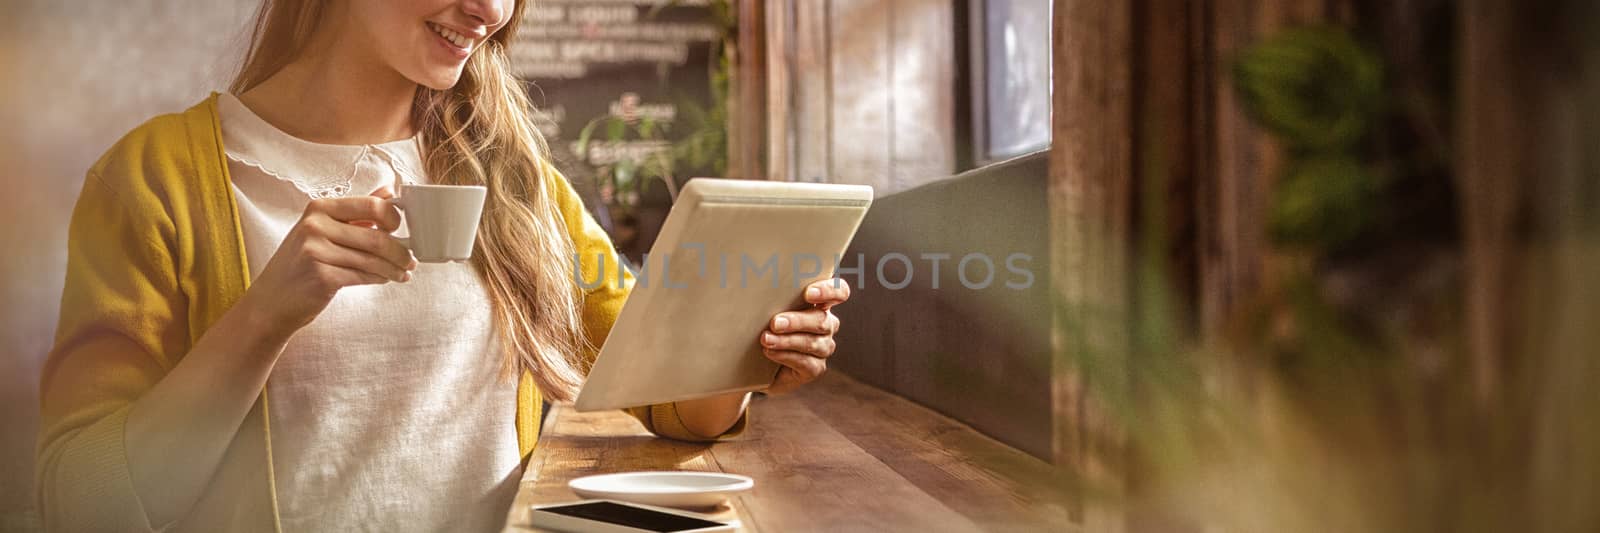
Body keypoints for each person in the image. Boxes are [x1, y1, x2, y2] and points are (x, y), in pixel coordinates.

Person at [35, 1, 848, 531]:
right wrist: (262, 317)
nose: (491, 11)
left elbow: (671, 402)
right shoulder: (156, 178)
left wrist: (753, 344)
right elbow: (84, 500)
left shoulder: (518, 178)